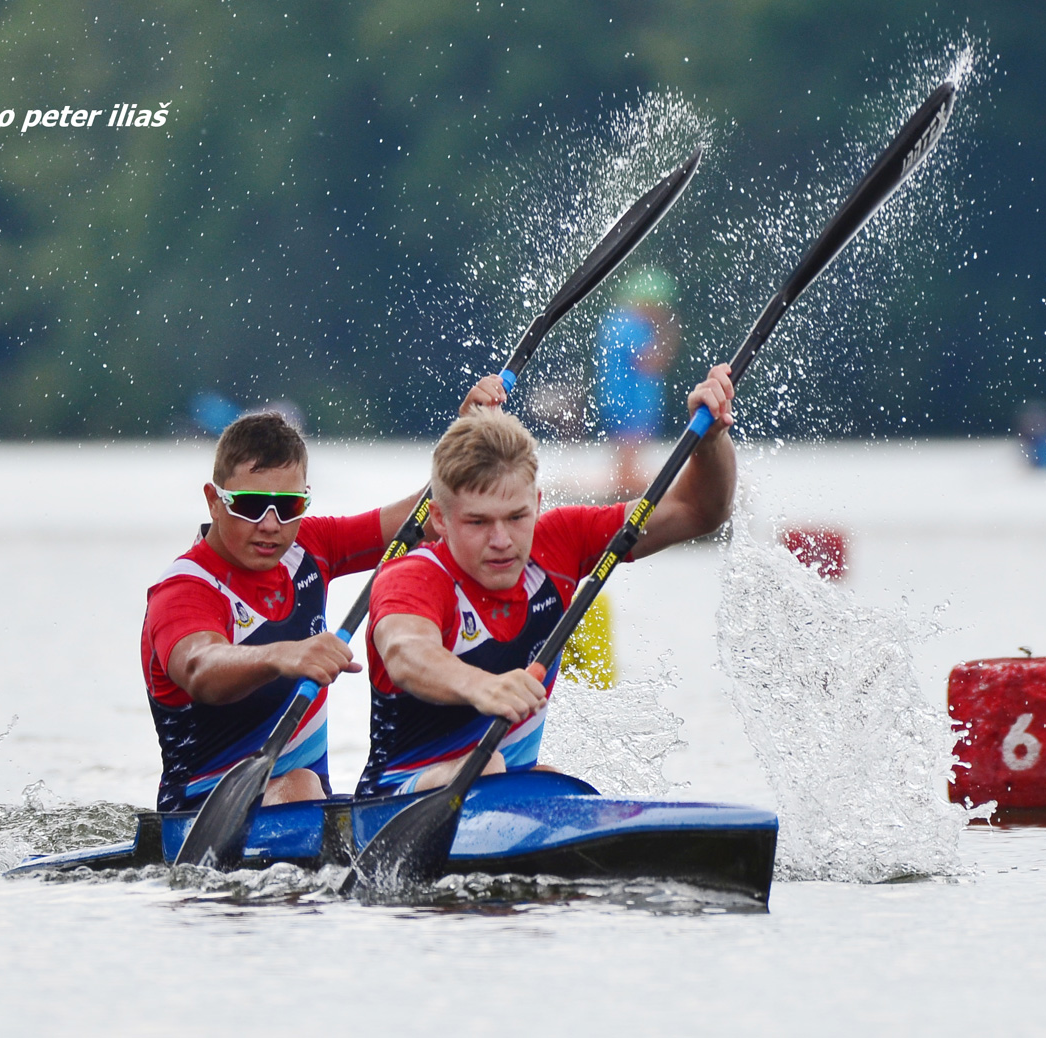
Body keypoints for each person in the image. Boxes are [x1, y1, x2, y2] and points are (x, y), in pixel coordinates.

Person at [358, 364, 736, 796]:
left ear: (536, 503)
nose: (502, 540)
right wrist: (482, 686)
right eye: (479, 522)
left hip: (508, 789)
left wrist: (711, 443)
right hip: (398, 798)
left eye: (517, 517)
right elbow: (407, 653)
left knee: (566, 788)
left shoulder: (560, 540)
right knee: (491, 768)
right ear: (440, 519)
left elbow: (698, 511)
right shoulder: (413, 576)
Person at [141, 381, 504, 812]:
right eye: (252, 505)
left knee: (494, 767)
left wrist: (469, 444)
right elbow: (200, 668)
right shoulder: (184, 590)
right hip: (202, 811)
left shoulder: (310, 547)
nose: (271, 524)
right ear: (213, 501)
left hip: (306, 800)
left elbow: (423, 519)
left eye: (289, 506)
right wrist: (282, 656)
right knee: (299, 785)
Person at [594, 266, 682, 498]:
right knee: (627, 457)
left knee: (627, 455)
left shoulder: (616, 321)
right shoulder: (631, 324)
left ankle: (627, 486)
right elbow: (650, 361)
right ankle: (630, 492)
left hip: (622, 399)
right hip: (630, 401)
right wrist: (668, 333)